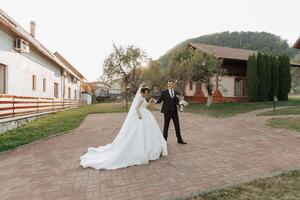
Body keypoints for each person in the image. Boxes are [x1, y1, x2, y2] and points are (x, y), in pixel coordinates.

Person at [80, 86, 168, 170]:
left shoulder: (143, 98)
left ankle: (150, 148)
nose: (146, 94)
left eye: (147, 93)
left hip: (146, 114)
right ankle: (142, 149)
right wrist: (140, 115)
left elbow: (144, 106)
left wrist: (150, 101)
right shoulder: (140, 98)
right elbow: (136, 108)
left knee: (148, 132)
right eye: (145, 93)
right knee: (139, 132)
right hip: (141, 116)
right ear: (142, 92)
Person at [155, 79, 187, 144]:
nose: (170, 85)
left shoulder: (175, 92)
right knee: (166, 126)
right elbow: (160, 100)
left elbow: (177, 101)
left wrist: (182, 103)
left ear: (173, 84)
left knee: (177, 126)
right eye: (169, 84)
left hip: (174, 112)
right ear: (168, 84)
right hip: (167, 112)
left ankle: (179, 139)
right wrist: (155, 101)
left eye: (171, 84)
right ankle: (164, 141)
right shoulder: (164, 92)